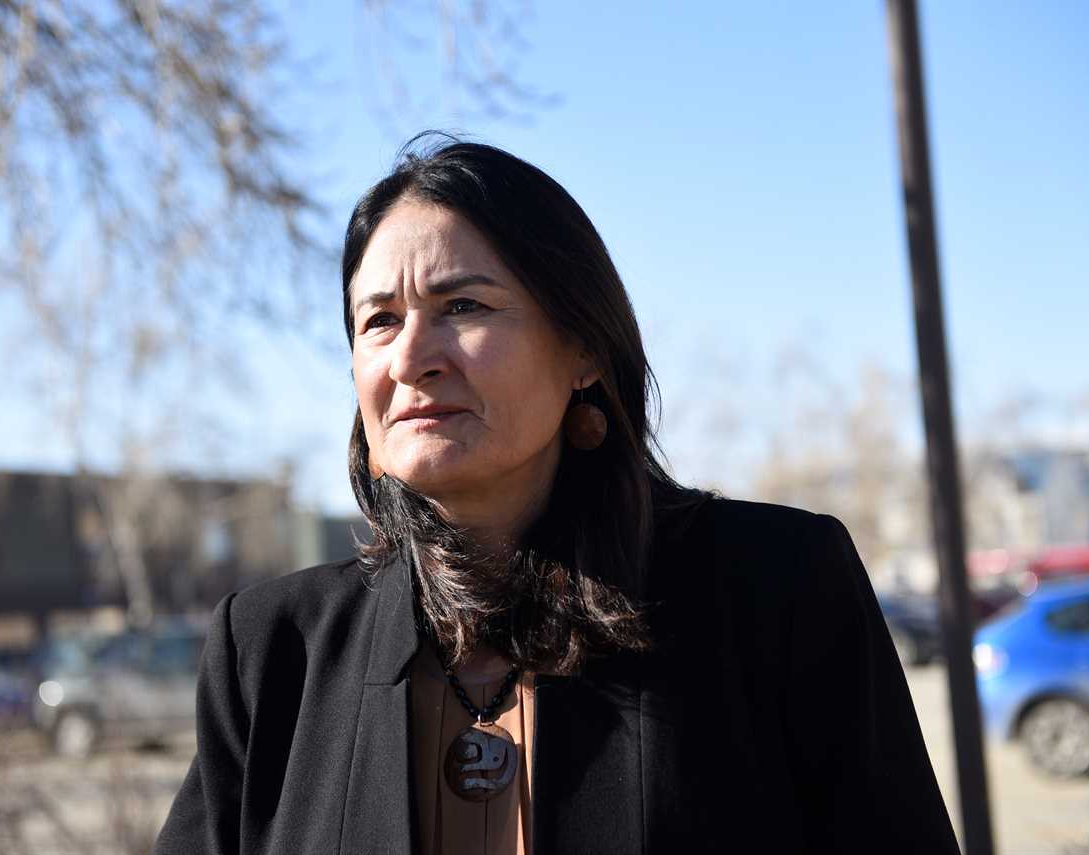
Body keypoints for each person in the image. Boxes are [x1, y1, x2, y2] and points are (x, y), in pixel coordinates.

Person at [155, 135, 960, 854]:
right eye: (379, 321)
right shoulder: (270, 652)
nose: (411, 358)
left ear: (582, 348)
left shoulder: (778, 589)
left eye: (462, 306)